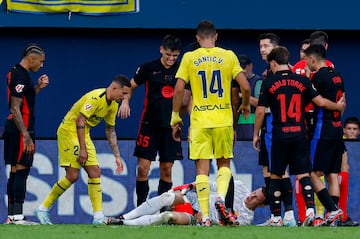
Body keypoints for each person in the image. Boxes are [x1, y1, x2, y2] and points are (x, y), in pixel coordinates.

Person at [170, 20, 251, 227]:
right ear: (216, 37)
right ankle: (221, 199)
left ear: (197, 39)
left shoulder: (189, 57)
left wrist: (176, 117)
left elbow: (179, 90)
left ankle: (205, 217)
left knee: (201, 171)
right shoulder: (228, 55)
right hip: (223, 120)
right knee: (223, 164)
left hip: (199, 122)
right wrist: (245, 106)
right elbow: (245, 86)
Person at [253, 46, 345, 226]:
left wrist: (256, 133)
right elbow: (320, 102)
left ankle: (276, 217)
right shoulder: (302, 80)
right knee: (304, 174)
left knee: (276, 176)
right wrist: (338, 107)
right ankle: (311, 212)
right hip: (299, 133)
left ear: (273, 63)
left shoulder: (269, 82)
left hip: (280, 134)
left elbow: (260, 111)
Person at [34, 74, 131, 225]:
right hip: (69, 131)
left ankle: (98, 217)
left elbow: (110, 130)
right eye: (123, 93)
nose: (125, 97)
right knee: (72, 175)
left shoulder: (113, 105)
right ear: (114, 88)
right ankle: (42, 208)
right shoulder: (95, 97)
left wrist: (117, 156)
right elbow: (80, 120)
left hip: (83, 133)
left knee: (95, 172)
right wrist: (83, 149)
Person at [117, 35, 189, 207]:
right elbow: (130, 86)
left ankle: (163, 211)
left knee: (167, 170)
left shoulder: (182, 70)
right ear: (161, 50)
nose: (171, 59)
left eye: (175, 56)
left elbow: (189, 97)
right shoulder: (149, 67)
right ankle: (141, 207)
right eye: (168, 55)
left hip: (171, 127)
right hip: (149, 125)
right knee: (143, 168)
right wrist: (125, 101)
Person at [3, 43, 49, 225]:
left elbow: (23, 102)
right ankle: (18, 217)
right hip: (21, 129)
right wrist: (26, 135)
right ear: (32, 59)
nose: (42, 65)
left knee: (15, 171)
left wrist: (37, 88)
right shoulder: (20, 75)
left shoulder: (18, 73)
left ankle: (12, 216)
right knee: (22, 170)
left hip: (15, 128)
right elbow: (15, 108)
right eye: (41, 61)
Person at [257, 33, 296, 226]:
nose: (262, 49)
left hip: (277, 127)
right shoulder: (268, 73)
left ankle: (285, 215)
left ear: (276, 48)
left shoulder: (282, 73)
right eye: (261, 46)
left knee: (278, 170)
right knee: (267, 169)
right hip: (269, 127)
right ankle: (277, 215)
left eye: (266, 46)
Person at [305, 44, 346, 226]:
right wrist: (338, 111)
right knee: (332, 173)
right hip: (338, 127)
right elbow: (343, 102)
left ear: (312, 59)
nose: (307, 64)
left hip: (323, 128)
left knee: (312, 172)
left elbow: (319, 102)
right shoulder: (338, 75)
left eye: (307, 60)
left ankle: (332, 209)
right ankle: (333, 218)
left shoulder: (317, 77)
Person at [106, 180, 267, 226]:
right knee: (166, 197)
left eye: (255, 198)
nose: (250, 196)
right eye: (254, 192)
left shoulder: (246, 219)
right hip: (192, 200)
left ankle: (125, 224)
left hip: (198, 218)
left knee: (167, 216)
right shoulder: (238, 186)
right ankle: (123, 217)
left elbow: (221, 225)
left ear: (260, 205)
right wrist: (188, 186)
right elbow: (208, 185)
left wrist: (198, 214)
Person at [232, 54, 263, 140]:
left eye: (244, 67)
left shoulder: (257, 81)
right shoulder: (234, 82)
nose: (242, 71)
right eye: (239, 68)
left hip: (252, 128)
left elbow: (260, 103)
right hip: (237, 128)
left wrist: (243, 96)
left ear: (250, 66)